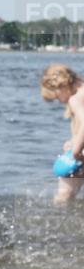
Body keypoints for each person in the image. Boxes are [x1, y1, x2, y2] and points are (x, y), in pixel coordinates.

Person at [40, 63, 84, 205]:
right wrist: (74, 140)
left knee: (63, 195)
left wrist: (76, 150)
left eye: (57, 97)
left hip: (80, 156)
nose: (60, 101)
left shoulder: (75, 99)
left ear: (61, 86)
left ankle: (58, 217)